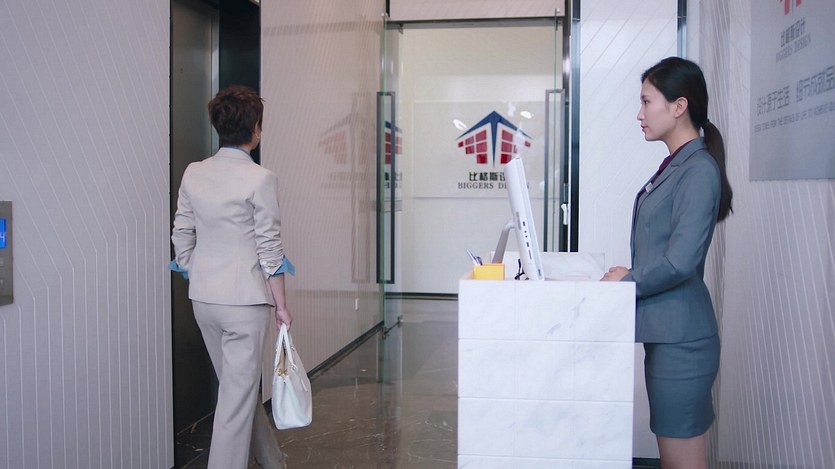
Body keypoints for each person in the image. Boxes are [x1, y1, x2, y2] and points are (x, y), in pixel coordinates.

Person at [602, 57, 733, 469]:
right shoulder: (679, 165)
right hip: (670, 335)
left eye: (646, 102)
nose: (639, 114)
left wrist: (628, 281)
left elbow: (680, 261)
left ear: (679, 106)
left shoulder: (698, 170)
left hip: (683, 342)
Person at [171, 84, 294, 469]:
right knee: (235, 403)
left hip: (204, 300)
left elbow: (181, 232)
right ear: (255, 128)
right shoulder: (260, 178)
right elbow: (270, 250)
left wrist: (197, 271)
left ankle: (272, 461)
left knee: (236, 393)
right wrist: (282, 307)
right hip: (244, 304)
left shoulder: (194, 173)